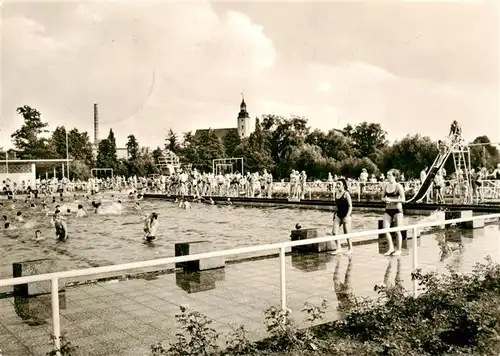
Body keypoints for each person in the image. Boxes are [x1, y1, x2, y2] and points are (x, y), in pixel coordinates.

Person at [381, 169, 406, 256]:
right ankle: (391, 247)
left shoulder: (398, 186)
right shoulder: (386, 186)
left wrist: (391, 200)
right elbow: (382, 197)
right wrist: (385, 200)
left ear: (394, 176)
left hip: (397, 210)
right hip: (388, 210)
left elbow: (403, 200)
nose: (387, 177)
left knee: (397, 230)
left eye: (389, 175)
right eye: (387, 175)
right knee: (386, 229)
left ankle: (399, 249)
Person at [330, 179, 353, 255]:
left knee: (347, 232)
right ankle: (339, 248)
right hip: (338, 214)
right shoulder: (336, 193)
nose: (337, 185)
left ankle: (350, 249)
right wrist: (335, 214)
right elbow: (337, 206)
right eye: (337, 184)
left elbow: (350, 206)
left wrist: (347, 216)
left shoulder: (346, 194)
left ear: (343, 185)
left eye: (339, 184)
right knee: (334, 232)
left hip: (346, 214)